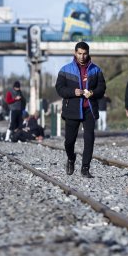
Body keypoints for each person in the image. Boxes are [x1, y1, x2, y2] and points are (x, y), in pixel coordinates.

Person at [55, 41, 107, 178]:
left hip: (89, 109)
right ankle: (71, 159)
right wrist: (73, 92)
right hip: (71, 110)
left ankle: (85, 168)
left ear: (88, 54)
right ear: (75, 53)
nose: (82, 56)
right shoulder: (65, 70)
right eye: (79, 53)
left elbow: (102, 88)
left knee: (89, 139)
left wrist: (93, 93)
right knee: (69, 142)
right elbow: (59, 89)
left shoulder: (96, 70)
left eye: (84, 54)